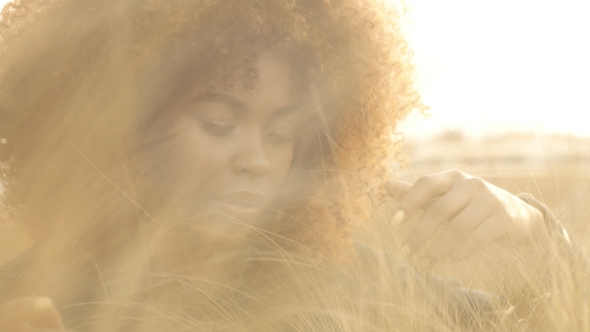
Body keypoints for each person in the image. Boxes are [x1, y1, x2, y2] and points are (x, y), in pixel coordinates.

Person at [0, 0, 584, 331]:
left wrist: (533, 232)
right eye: (219, 125)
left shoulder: (344, 280)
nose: (258, 160)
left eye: (283, 134)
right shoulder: (26, 300)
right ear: (122, 127)